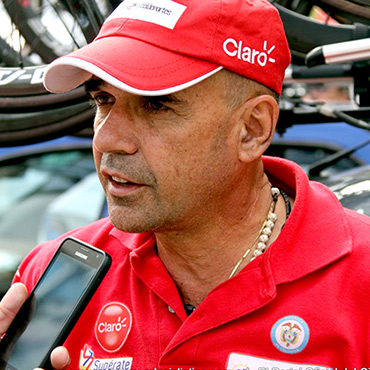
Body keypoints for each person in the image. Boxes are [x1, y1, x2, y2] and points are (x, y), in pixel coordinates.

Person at [1, 0, 370, 369]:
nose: (107, 139)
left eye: (156, 106)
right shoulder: (53, 272)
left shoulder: (360, 276)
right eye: (103, 99)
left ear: (252, 129)